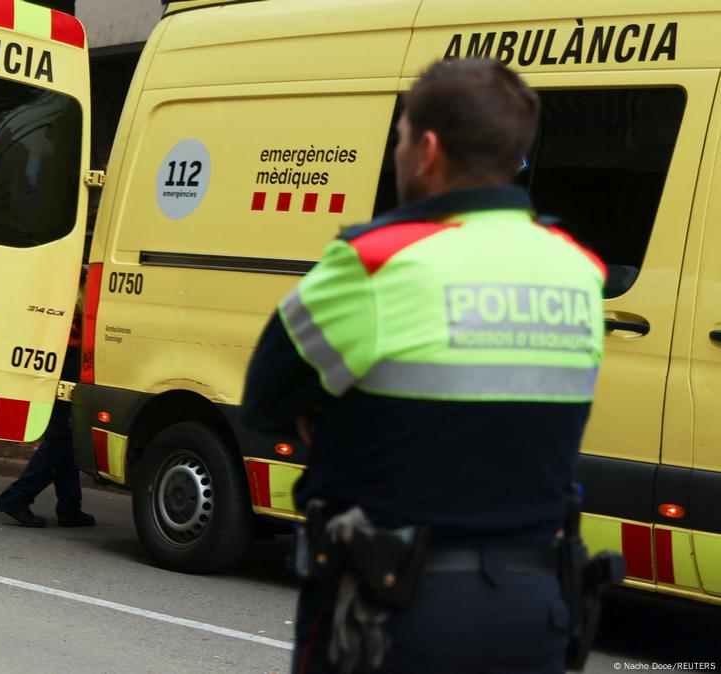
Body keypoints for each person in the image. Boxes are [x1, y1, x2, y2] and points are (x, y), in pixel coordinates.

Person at [241, 59, 605, 673]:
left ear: (427, 150)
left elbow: (265, 400)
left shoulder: (378, 261)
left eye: (401, 135)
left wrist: (336, 413)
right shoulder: (578, 269)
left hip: (398, 615)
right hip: (535, 613)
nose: (398, 150)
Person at [0, 339, 95, 528]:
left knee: (69, 437)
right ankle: (17, 497)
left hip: (73, 351)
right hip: (72, 352)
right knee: (61, 436)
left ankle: (69, 507)